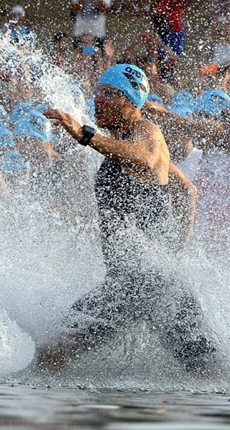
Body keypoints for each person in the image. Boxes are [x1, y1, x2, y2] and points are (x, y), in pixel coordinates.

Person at [37, 64, 217, 373]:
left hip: (140, 283)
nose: (98, 100)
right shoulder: (126, 141)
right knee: (208, 371)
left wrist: (84, 135)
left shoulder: (147, 131)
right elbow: (187, 190)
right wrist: (173, 251)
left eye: (109, 94)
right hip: (154, 281)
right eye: (98, 92)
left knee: (50, 354)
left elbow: (146, 160)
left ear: (131, 100)